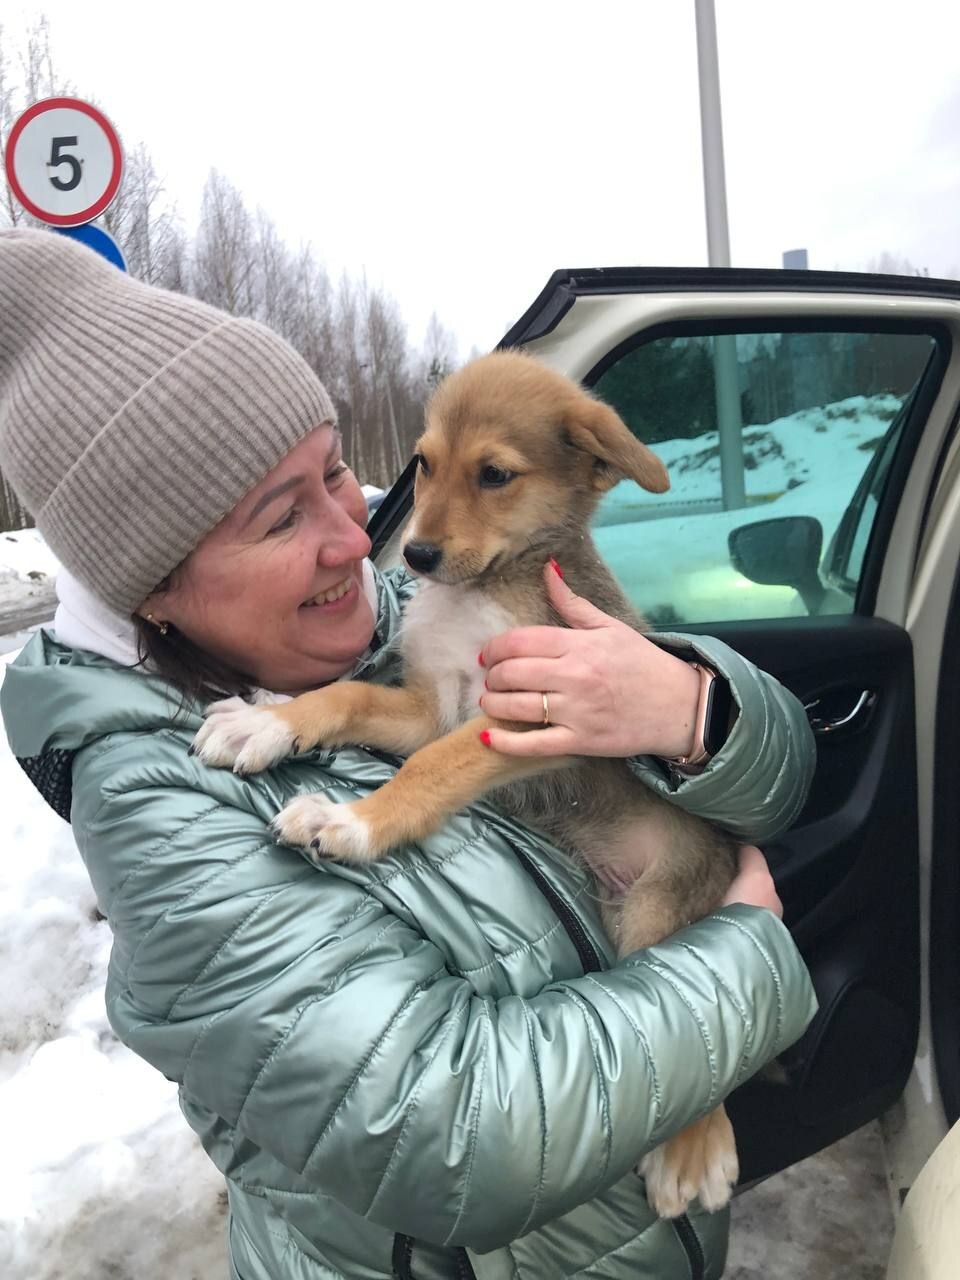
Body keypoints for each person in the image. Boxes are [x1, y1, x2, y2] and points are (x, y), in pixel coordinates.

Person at [0, 227, 817, 1280]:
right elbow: (457, 1136)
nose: (361, 533)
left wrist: (693, 704)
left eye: (338, 472)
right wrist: (744, 957)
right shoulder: (162, 816)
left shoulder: (397, 605)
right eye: (279, 516)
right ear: (150, 584)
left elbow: (785, 770)